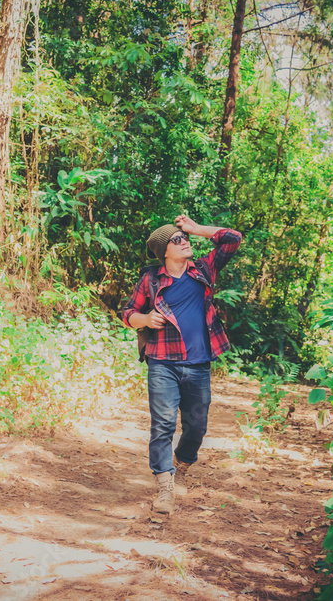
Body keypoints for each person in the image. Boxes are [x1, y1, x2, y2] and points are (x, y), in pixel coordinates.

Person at [121, 215, 242, 514]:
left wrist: (196, 229)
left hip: (199, 364)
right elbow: (127, 313)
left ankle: (183, 463)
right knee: (162, 425)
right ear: (164, 251)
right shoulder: (150, 280)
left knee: (196, 427)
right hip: (162, 362)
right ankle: (165, 485)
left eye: (183, 237)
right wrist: (146, 319)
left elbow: (233, 239)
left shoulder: (203, 268)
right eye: (176, 239)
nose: (183, 240)